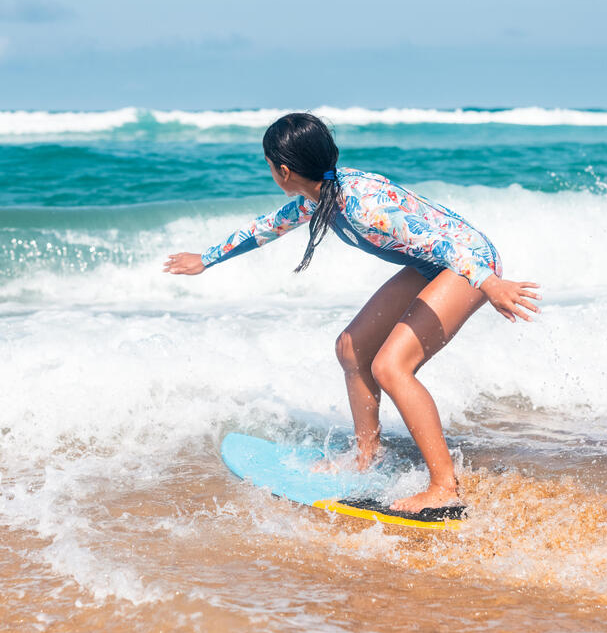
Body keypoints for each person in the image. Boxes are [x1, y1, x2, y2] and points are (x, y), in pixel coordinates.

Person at [165, 113, 541, 513]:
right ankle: (368, 454)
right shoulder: (321, 195)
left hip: (467, 263)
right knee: (351, 348)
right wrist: (205, 259)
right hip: (435, 263)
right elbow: (267, 226)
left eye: (269, 165)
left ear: (284, 170)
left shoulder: (365, 206)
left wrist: (490, 282)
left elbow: (442, 244)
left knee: (391, 366)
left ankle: (444, 486)